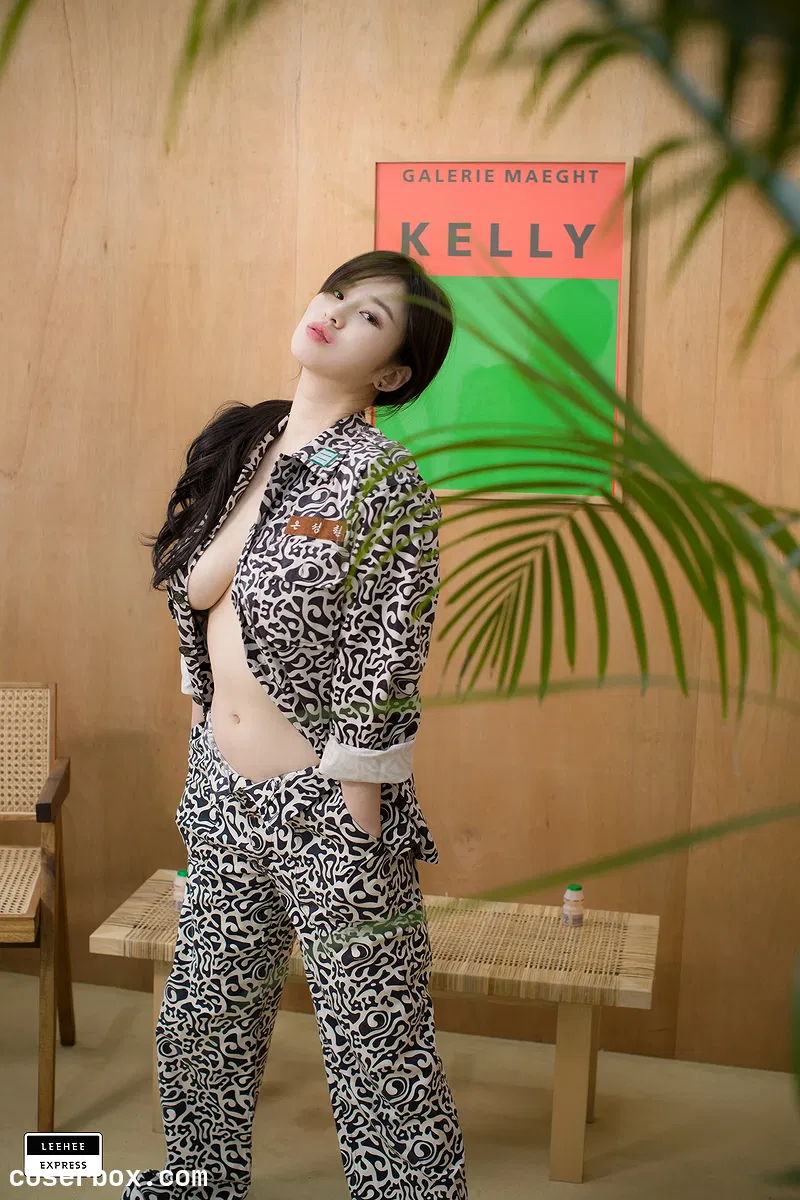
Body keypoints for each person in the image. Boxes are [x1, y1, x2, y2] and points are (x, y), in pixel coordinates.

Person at [128, 250, 468, 1199]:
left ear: (391, 374)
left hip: (328, 808)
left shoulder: (386, 483)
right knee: (202, 1022)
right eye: (338, 294)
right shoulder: (245, 445)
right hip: (222, 791)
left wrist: (357, 816)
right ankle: (200, 1181)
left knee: (377, 1051)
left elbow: (387, 650)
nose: (336, 314)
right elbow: (194, 591)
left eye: (369, 318)